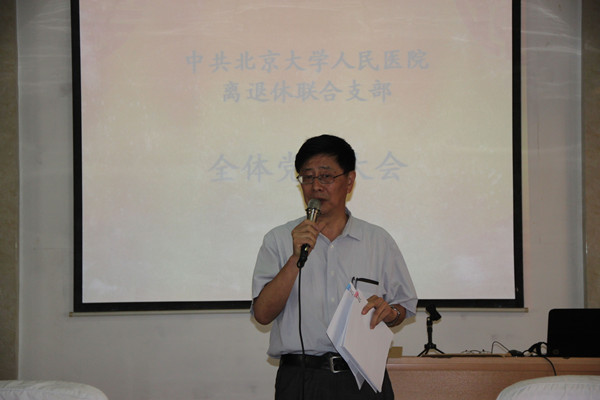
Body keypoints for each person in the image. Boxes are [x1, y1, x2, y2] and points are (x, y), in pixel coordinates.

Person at [252, 134, 418, 400]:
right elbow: (262, 314)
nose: (316, 186)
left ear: (349, 181)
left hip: (363, 378)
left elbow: (403, 307)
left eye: (326, 176)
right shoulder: (279, 239)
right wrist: (295, 259)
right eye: (308, 177)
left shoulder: (378, 241)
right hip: (301, 379)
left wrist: (390, 313)